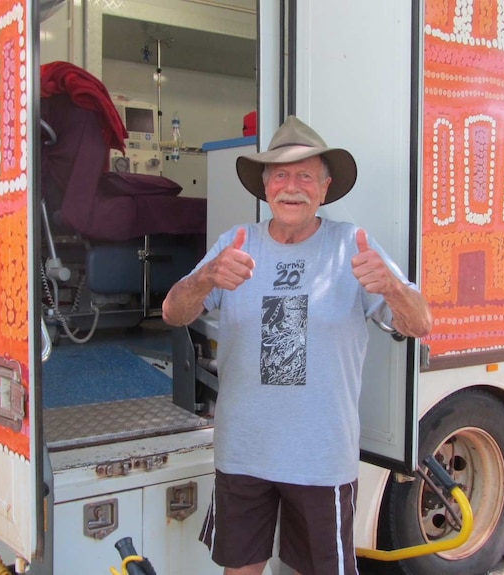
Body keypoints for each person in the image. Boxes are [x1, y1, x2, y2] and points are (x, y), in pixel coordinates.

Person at [162, 116, 432, 575]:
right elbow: (173, 312)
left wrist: (390, 287)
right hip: (245, 450)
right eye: (281, 175)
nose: (292, 186)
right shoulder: (236, 244)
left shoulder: (350, 245)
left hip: (321, 457)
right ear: (266, 187)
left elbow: (420, 323)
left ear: (324, 189)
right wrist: (206, 276)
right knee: (240, 569)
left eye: (305, 175)